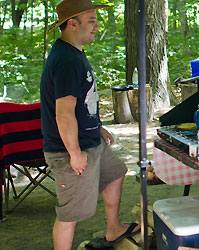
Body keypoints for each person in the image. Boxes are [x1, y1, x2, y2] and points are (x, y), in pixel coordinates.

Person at [39, 0, 139, 249]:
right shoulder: (66, 60)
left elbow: (82, 103)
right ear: (73, 24)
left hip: (90, 141)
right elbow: (63, 115)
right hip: (70, 150)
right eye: (92, 21)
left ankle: (113, 229)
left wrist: (97, 126)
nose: (96, 26)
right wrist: (74, 154)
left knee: (116, 172)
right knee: (69, 214)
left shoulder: (73, 53)